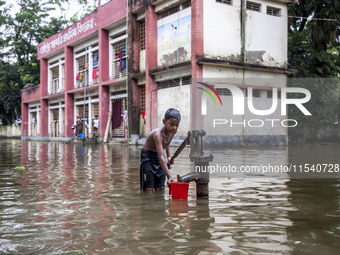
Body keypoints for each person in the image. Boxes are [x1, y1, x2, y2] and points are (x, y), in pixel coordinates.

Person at [140, 108, 181, 192]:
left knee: (161, 188)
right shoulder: (158, 135)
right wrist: (169, 176)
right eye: (171, 124)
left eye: (177, 125)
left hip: (158, 154)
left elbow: (167, 142)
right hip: (148, 156)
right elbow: (161, 157)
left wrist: (169, 156)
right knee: (149, 188)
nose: (174, 128)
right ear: (164, 122)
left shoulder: (172, 131)